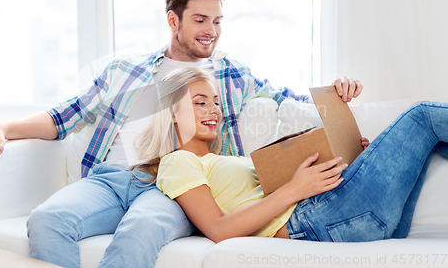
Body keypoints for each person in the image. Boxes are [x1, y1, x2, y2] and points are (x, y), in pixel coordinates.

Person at [0, 0, 362, 267]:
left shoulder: (233, 74)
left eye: (217, 21)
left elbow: (294, 102)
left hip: (178, 189)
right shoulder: (124, 70)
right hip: (111, 180)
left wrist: (337, 92)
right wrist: (3, 128)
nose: (211, 31)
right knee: (46, 220)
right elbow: (64, 116)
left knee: (140, 232)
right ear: (174, 20)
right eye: (200, 20)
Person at [147, 67, 448, 243]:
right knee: (422, 117)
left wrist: (359, 160)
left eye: (214, 101)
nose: (213, 110)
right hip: (312, 223)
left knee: (428, 139)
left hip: (352, 216)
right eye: (200, 103)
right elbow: (218, 230)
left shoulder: (230, 158)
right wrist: (295, 189)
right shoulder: (178, 161)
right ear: (171, 113)